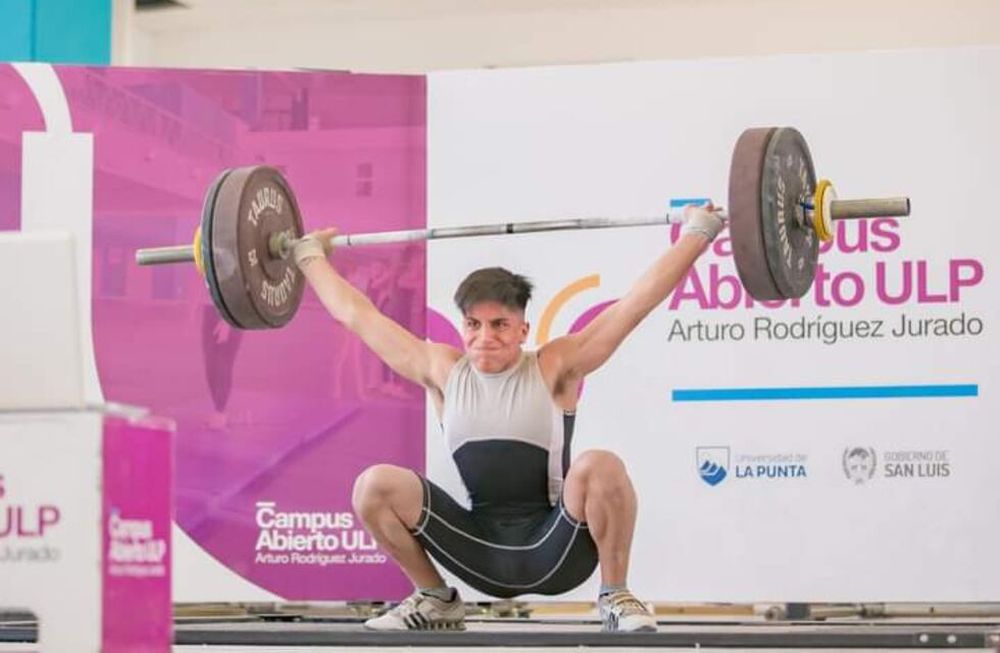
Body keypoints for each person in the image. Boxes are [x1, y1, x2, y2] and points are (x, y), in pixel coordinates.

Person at [292, 204, 725, 632]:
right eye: (473, 324)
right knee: (375, 486)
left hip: (557, 550)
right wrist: (309, 256)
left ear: (523, 330)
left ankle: (615, 595)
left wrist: (698, 233)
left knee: (600, 465)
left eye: (499, 324)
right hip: (478, 550)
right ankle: (436, 599)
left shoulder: (556, 366)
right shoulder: (442, 370)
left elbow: (632, 306)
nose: (485, 338)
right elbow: (357, 315)